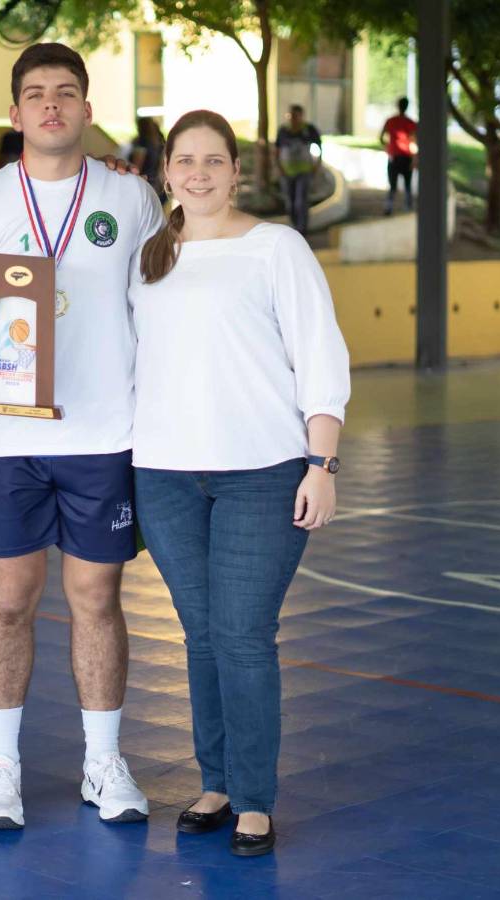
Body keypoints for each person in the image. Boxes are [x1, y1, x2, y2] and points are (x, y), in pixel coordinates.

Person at [0, 42, 164, 830]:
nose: (50, 106)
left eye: (65, 92)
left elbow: (158, 302)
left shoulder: (129, 200)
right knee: (6, 599)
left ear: (86, 109)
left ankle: (102, 764)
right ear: (13, 114)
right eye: (35, 94)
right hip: (6, 436)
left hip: (106, 431)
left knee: (96, 599)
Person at [129, 109, 350, 856]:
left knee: (243, 636)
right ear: (165, 171)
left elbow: (320, 357)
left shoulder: (274, 248)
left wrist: (320, 464)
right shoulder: (148, 255)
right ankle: (215, 781)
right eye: (184, 161)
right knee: (200, 637)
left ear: (235, 170)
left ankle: (254, 799)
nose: (197, 173)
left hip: (261, 473)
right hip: (161, 475)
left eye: (213, 161)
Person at [274, 104, 322, 235]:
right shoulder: (283, 131)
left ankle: (302, 229)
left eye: (296, 116)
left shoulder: (309, 130)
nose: (293, 119)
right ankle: (295, 225)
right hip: (287, 172)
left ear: (301, 116)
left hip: (304, 171)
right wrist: (279, 167)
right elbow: (277, 150)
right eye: (291, 116)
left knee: (300, 201)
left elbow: (318, 148)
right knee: (290, 202)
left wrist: (317, 165)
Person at [380, 97, 417, 215]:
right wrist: (415, 158)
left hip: (393, 157)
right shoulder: (411, 123)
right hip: (406, 157)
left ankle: (389, 207)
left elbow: (381, 137)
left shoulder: (390, 121)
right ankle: (408, 208)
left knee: (392, 186)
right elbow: (414, 140)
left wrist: (388, 147)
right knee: (407, 185)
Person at [129, 116, 165, 202]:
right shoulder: (160, 142)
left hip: (144, 185)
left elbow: (136, 168)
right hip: (159, 186)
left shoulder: (142, 143)